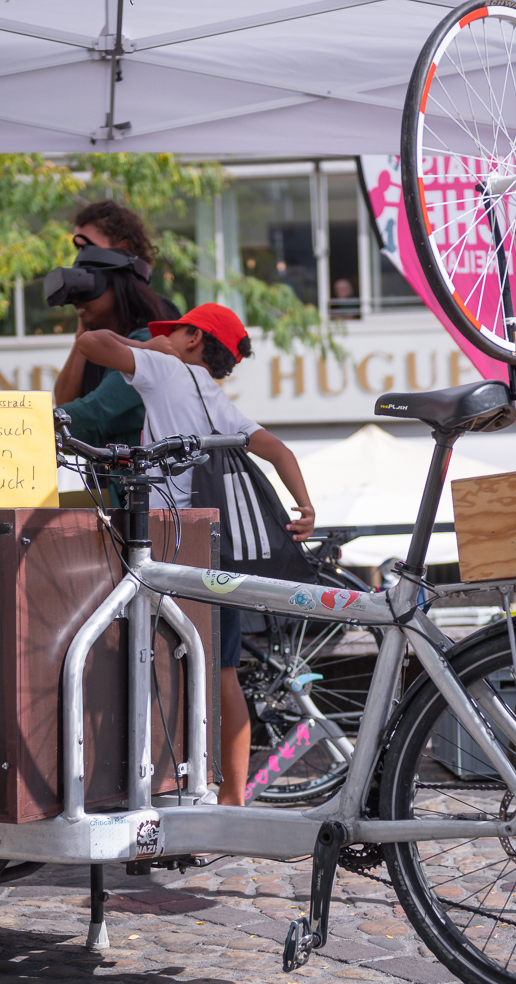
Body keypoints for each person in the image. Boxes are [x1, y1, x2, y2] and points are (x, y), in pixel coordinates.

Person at [76, 303, 316, 805]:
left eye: (173, 331)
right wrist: (306, 506)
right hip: (217, 545)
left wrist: (147, 347)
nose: (161, 337)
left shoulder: (164, 370)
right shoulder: (216, 397)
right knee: (221, 670)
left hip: (171, 540)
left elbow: (91, 343)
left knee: (157, 655)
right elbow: (279, 450)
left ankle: (160, 786)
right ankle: (231, 799)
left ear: (190, 338)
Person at [52, 200, 178, 451]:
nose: (80, 258)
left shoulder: (158, 318)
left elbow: (91, 410)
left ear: (123, 250)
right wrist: (85, 326)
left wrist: (24, 425)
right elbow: (66, 402)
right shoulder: (94, 322)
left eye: (88, 248)